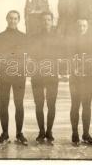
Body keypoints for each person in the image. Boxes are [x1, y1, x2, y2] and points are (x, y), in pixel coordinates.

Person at [0, 10, 28, 145]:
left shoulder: (24, 37)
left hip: (19, 75)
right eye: (11, 18)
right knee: (4, 104)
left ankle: (19, 134)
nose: (13, 21)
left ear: (18, 20)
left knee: (19, 104)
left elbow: (27, 54)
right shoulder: (0, 37)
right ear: (7, 19)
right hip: (4, 75)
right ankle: (5, 133)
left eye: (15, 19)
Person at [29, 11, 60, 143]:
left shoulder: (57, 37)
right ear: (40, 22)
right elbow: (30, 54)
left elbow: (61, 54)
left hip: (52, 74)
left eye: (48, 20)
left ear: (52, 21)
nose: (46, 22)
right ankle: (41, 131)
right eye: (44, 20)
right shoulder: (34, 37)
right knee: (39, 104)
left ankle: (49, 131)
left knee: (51, 104)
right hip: (37, 74)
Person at [68, 19, 92, 145]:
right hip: (75, 78)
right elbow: (67, 58)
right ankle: (75, 133)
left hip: (89, 78)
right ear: (76, 27)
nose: (82, 28)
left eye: (84, 25)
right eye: (79, 25)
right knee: (75, 105)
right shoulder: (71, 41)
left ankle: (86, 133)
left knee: (87, 105)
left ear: (87, 27)